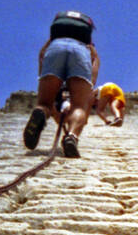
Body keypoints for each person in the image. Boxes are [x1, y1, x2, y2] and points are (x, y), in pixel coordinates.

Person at [23, 10, 98, 158]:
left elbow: (42, 54)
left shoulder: (53, 39)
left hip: (55, 48)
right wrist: (89, 86)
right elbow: (95, 65)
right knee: (79, 107)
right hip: (80, 52)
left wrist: (43, 76)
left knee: (44, 103)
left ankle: (41, 113)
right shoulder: (89, 47)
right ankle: (71, 137)